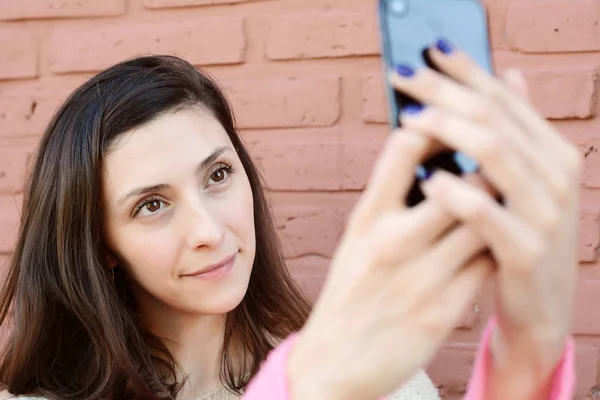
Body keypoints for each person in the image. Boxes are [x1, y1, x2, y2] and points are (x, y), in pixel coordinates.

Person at [0, 38, 579, 400]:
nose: (209, 230)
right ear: (101, 244)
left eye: (218, 175)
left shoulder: (384, 383)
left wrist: (526, 358)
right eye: (152, 205)